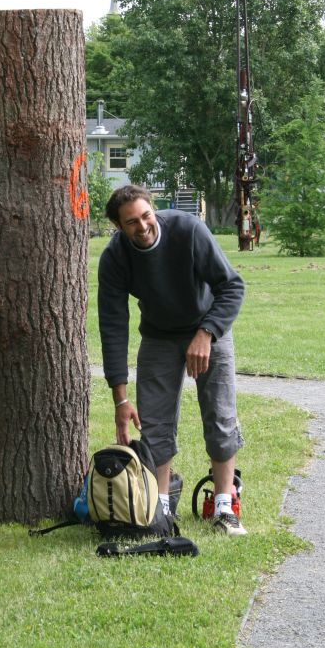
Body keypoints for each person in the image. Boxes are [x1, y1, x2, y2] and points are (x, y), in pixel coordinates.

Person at [98, 185, 247, 535]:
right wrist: (120, 398)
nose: (143, 226)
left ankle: (225, 506)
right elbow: (113, 326)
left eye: (146, 215)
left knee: (220, 414)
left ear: (154, 209)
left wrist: (207, 333)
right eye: (132, 222)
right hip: (159, 336)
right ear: (120, 227)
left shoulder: (188, 230)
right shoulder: (116, 257)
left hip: (208, 327)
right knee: (154, 423)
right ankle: (160, 508)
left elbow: (232, 286)